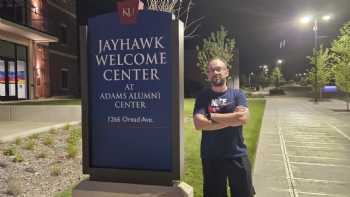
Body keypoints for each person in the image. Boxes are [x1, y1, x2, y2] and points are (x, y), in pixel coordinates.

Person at [193, 57, 255, 197]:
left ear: (226, 72)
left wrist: (213, 117)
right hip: (211, 156)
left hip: (237, 154)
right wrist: (233, 118)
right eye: (212, 70)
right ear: (208, 75)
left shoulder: (238, 94)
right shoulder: (203, 96)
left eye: (219, 69)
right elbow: (198, 124)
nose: (216, 72)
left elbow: (244, 118)